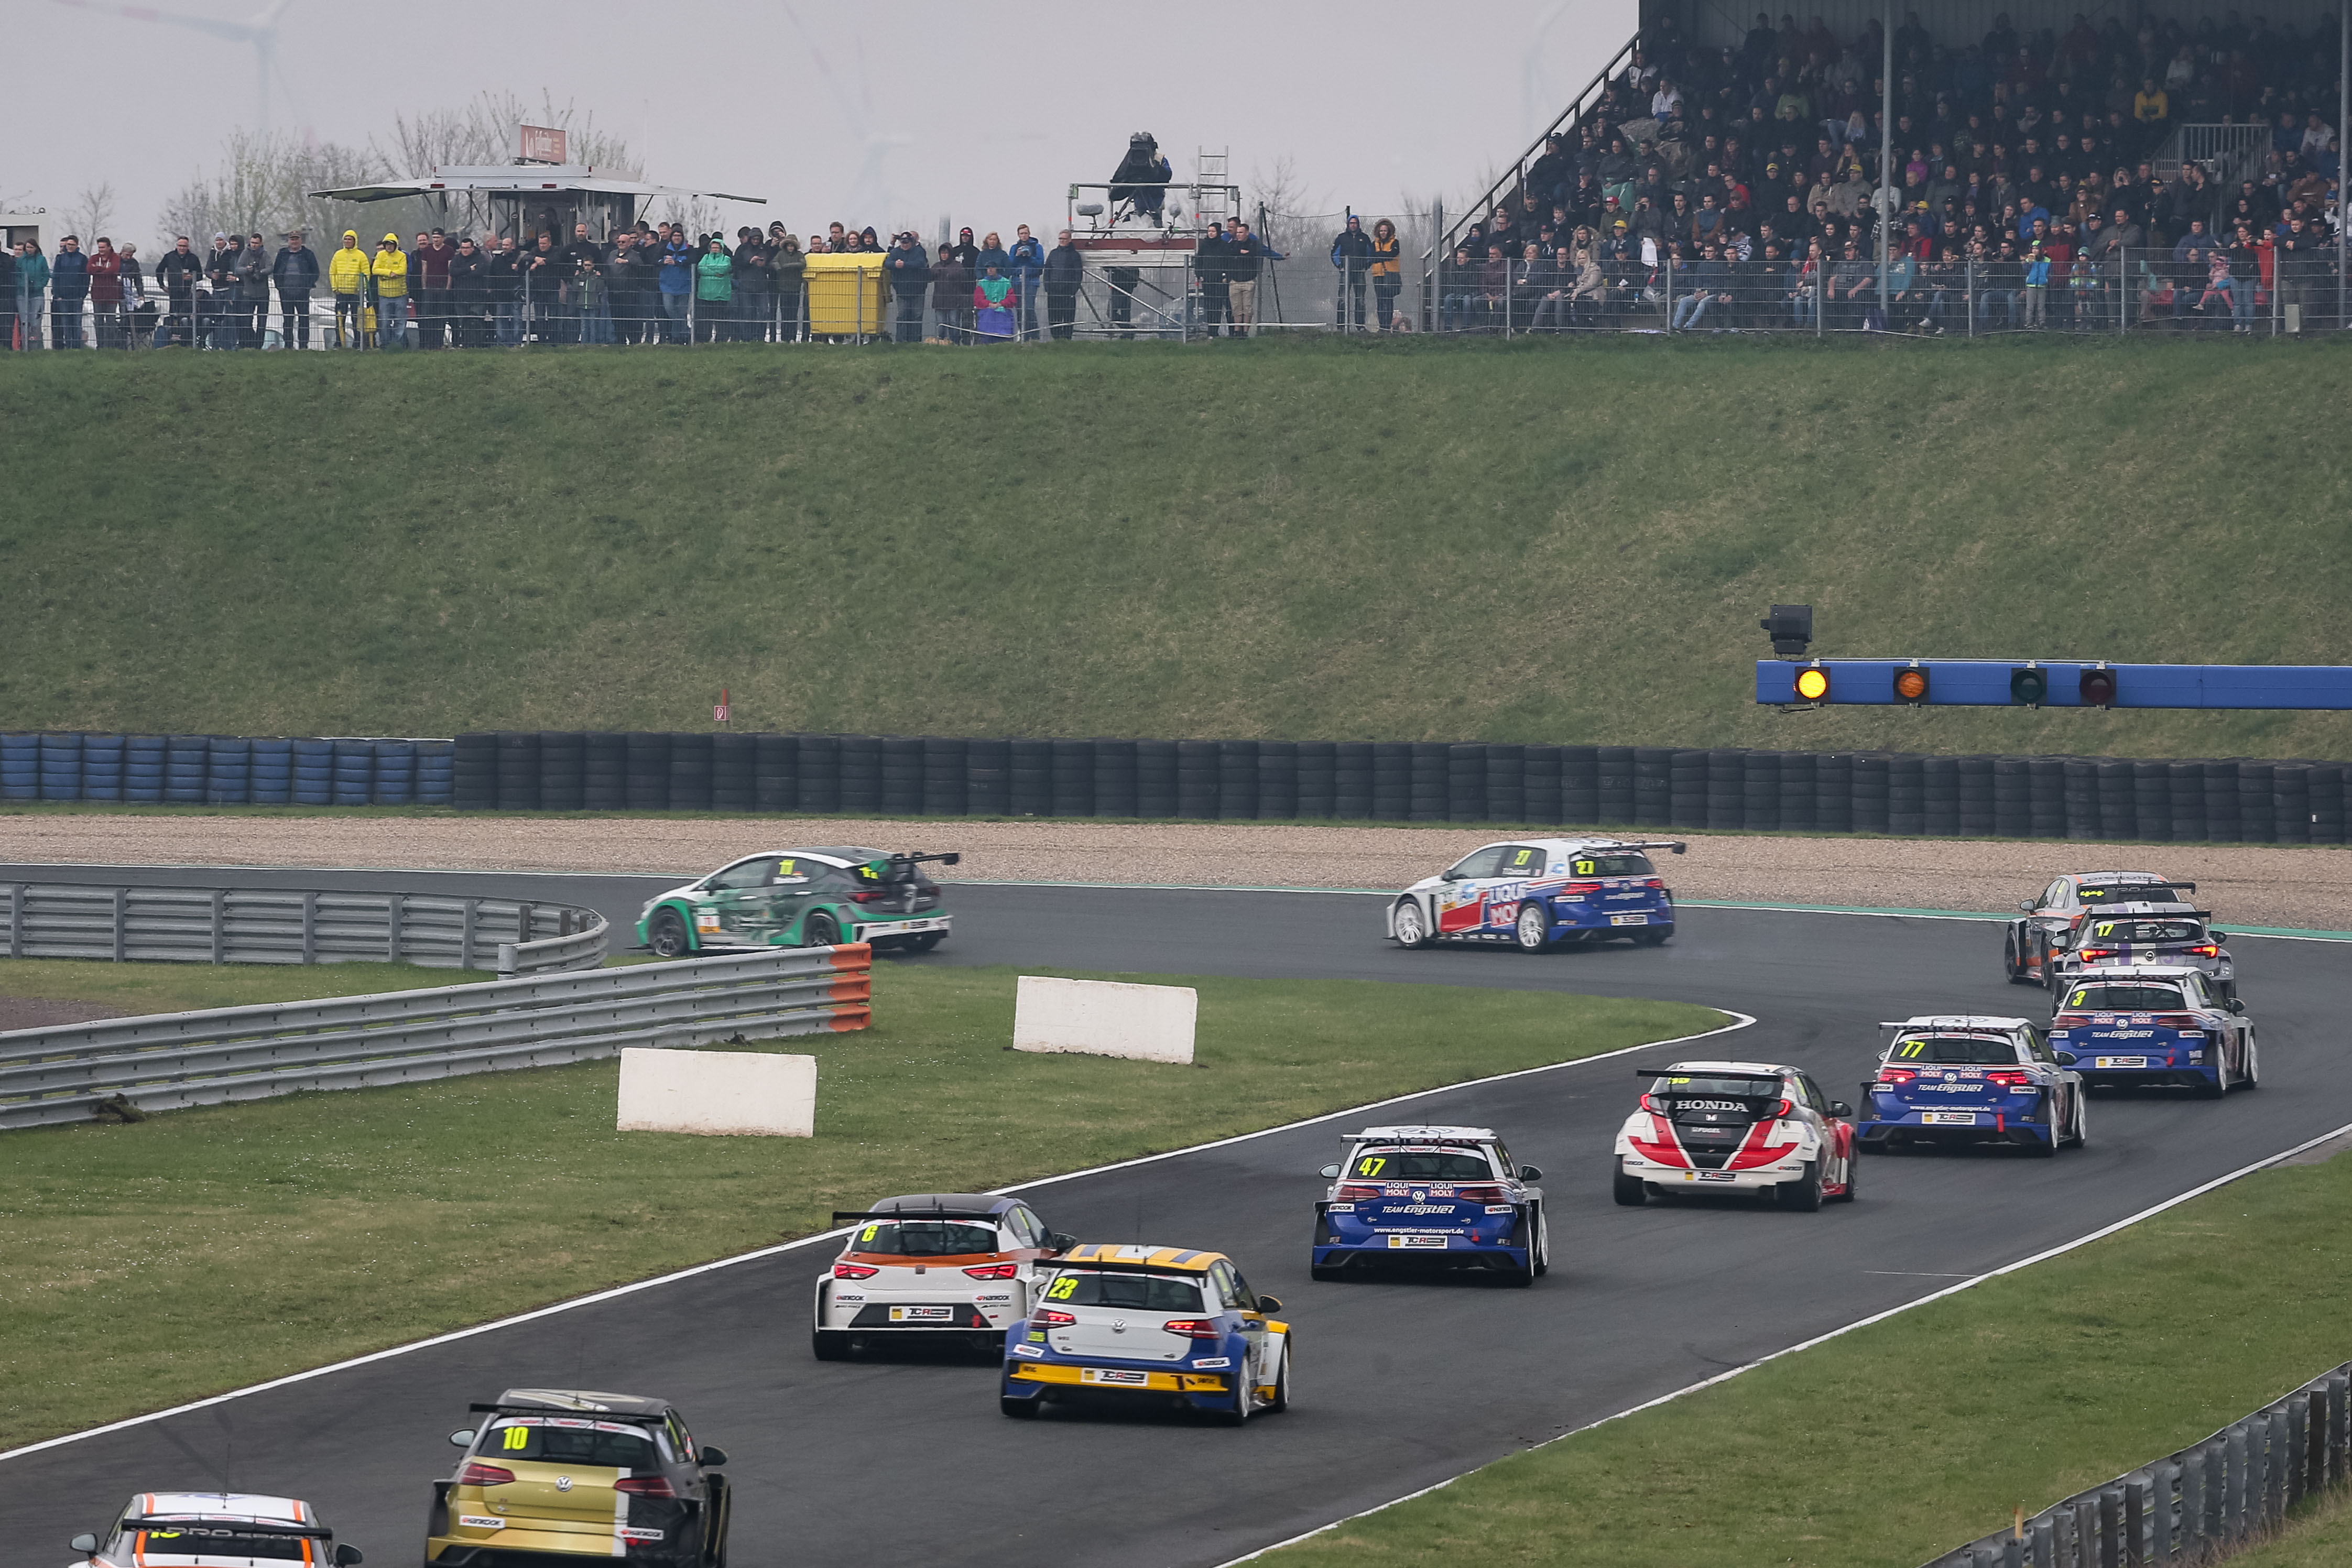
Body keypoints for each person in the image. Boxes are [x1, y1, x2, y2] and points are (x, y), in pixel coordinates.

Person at [1227, 218, 1282, 334]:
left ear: (1247, 233)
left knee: (1247, 307)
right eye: (1237, 232)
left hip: (1249, 280)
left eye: (1241, 232)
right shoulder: (1232, 244)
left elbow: (1255, 254)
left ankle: (1245, 332)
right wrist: (1241, 252)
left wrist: (1281, 257)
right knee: (1236, 308)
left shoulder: (1254, 243)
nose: (1238, 234)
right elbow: (1228, 254)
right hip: (1235, 281)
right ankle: (1237, 331)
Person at [269, 230, 318, 350]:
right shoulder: (282, 254)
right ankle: (288, 346)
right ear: (289, 241)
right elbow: (276, 271)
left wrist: (308, 286)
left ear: (301, 240)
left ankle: (303, 346)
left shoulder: (308, 254)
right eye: (292, 239)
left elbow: (315, 272)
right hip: (286, 292)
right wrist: (280, 287)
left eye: (297, 239)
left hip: (302, 293)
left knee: (304, 319)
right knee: (288, 319)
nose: (294, 242)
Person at [1330, 213, 1374, 330]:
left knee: (1360, 299)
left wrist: (1366, 267)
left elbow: (1370, 255)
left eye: (1355, 223)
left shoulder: (1365, 238)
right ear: (1348, 224)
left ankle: (1360, 326)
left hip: (1359, 272)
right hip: (1345, 273)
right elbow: (1334, 254)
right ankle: (1341, 326)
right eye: (1351, 223)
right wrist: (1340, 266)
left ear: (1358, 224)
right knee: (1343, 299)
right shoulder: (1341, 238)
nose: (1353, 225)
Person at [885, 230, 930, 342]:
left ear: (912, 242)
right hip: (902, 291)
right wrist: (895, 264)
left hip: (918, 290)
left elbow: (920, 263)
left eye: (907, 242)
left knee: (917, 316)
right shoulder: (895, 252)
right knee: (902, 316)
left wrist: (904, 265)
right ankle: (900, 340)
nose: (905, 245)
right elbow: (887, 263)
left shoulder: (919, 251)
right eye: (903, 242)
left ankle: (915, 341)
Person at [325, 230, 368, 347]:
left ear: (355, 241)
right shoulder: (338, 255)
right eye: (346, 239)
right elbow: (332, 272)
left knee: (356, 319)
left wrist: (361, 288)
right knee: (340, 319)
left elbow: (366, 274)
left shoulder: (361, 255)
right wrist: (335, 288)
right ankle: (339, 343)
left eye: (350, 239)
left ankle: (358, 344)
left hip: (355, 294)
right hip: (341, 293)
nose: (347, 241)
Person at [931, 233, 974, 343]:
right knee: (941, 325)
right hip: (939, 301)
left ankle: (955, 343)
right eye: (942, 253)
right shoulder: (936, 266)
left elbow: (964, 279)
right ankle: (941, 343)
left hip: (954, 301)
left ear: (950, 254)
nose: (944, 255)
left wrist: (954, 275)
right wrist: (934, 273)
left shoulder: (958, 266)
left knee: (954, 324)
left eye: (946, 253)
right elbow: (928, 277)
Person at [49, 234, 89, 349]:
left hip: (77, 296)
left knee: (76, 323)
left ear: (77, 245)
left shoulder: (82, 259)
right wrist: (57, 294)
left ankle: (76, 347)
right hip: (63, 297)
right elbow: (56, 277)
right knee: (65, 323)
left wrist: (82, 294)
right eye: (68, 245)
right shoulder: (60, 258)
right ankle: (68, 345)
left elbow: (85, 278)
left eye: (72, 245)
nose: (70, 247)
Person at [369, 232, 409, 348]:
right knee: (384, 321)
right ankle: (385, 344)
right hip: (384, 295)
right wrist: (390, 273)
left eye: (391, 244)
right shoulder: (380, 255)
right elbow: (375, 270)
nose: (389, 246)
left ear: (396, 245)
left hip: (400, 294)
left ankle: (396, 344)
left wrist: (384, 275)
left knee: (400, 321)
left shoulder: (402, 256)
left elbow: (402, 271)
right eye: (387, 244)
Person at [1042, 228, 1083, 340]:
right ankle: (1056, 339)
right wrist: (1047, 287)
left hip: (1068, 291)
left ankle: (1067, 339)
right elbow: (1047, 270)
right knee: (1054, 316)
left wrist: (1073, 290)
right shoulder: (1053, 253)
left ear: (1070, 240)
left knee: (1068, 316)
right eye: (1060, 239)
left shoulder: (1075, 255)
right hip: (1054, 290)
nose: (1062, 241)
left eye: (1064, 239)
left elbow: (1078, 273)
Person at [85, 237, 125, 348]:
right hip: (97, 295)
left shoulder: (115, 258)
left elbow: (114, 269)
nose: (101, 250)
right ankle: (100, 345)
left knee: (111, 322)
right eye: (99, 248)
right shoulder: (94, 258)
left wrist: (98, 270)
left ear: (109, 247)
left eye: (103, 247)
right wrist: (103, 270)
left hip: (112, 296)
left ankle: (110, 346)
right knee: (99, 321)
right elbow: (89, 269)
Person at [1193, 220, 1232, 336]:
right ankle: (1211, 331)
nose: (1211, 233)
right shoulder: (1204, 244)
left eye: (1213, 231)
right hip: (1207, 279)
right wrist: (1199, 274)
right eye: (1209, 231)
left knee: (1219, 305)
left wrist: (1226, 275)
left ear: (1218, 232)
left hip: (1220, 280)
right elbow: (1199, 260)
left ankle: (1220, 330)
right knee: (1209, 306)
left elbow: (1228, 262)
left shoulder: (1224, 246)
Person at [656, 228, 693, 343]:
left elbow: (692, 260)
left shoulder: (689, 249)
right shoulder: (664, 249)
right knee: (670, 309)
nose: (677, 238)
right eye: (675, 235)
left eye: (679, 235)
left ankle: (677, 338)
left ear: (682, 237)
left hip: (684, 286)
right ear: (671, 237)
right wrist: (663, 262)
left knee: (682, 312)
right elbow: (654, 261)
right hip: (667, 285)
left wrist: (677, 263)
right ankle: (685, 332)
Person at [693, 234, 733, 342]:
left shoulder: (726, 258)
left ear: (721, 248)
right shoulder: (705, 257)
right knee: (706, 319)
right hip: (705, 294)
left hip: (721, 294)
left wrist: (709, 270)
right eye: (713, 247)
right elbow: (701, 268)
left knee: (721, 318)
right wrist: (716, 273)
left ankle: (721, 339)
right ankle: (705, 338)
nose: (715, 249)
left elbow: (724, 269)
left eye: (717, 248)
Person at [233, 232, 271, 346]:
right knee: (246, 320)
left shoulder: (265, 254)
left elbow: (270, 268)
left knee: (262, 321)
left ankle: (259, 345)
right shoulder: (245, 253)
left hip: (263, 293)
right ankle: (248, 343)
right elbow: (238, 269)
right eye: (252, 243)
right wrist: (247, 270)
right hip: (248, 293)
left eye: (256, 243)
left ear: (261, 243)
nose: (254, 245)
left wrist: (261, 272)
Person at [1009, 224, 1045, 340]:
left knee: (1029, 308)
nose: (1024, 236)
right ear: (1018, 235)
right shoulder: (1014, 248)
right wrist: (1017, 255)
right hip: (1017, 281)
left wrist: (1030, 256)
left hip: (1031, 281)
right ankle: (1023, 336)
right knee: (1019, 310)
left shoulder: (1037, 247)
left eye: (1026, 233)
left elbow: (1040, 264)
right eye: (1021, 234)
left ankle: (1034, 336)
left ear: (1029, 234)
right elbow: (1010, 265)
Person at [1367, 217, 1402, 331]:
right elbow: (1373, 257)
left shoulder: (1395, 243)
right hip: (1378, 275)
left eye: (1385, 231)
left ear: (1389, 232)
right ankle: (1382, 327)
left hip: (1390, 276)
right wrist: (1385, 255)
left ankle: (1387, 326)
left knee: (1389, 301)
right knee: (1380, 301)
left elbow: (1393, 254)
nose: (1383, 233)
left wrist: (1380, 255)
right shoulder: (1374, 244)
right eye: (1381, 231)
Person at [771, 230, 805, 342]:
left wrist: (789, 266)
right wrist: (779, 268)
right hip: (783, 288)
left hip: (795, 289)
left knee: (794, 314)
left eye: (792, 246)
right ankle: (784, 338)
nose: (790, 248)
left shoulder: (800, 255)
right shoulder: (781, 254)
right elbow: (774, 262)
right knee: (784, 313)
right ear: (786, 246)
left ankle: (793, 338)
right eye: (789, 245)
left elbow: (803, 264)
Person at [14, 237, 46, 349]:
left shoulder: (41, 260)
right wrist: (23, 285)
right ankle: (24, 346)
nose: (29, 249)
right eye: (27, 247)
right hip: (22, 294)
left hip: (37, 294)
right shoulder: (21, 260)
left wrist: (39, 285)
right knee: (24, 321)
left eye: (31, 247)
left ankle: (35, 347)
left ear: (36, 248)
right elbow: (17, 275)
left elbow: (46, 274)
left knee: (35, 321)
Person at [973, 262, 1018, 342]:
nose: (990, 270)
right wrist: (989, 304)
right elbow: (978, 300)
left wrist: (1000, 304)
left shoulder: (1006, 282)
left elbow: (1012, 299)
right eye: (988, 268)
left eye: (992, 268)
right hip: (987, 312)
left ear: (997, 269)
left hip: (1002, 312)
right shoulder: (982, 283)